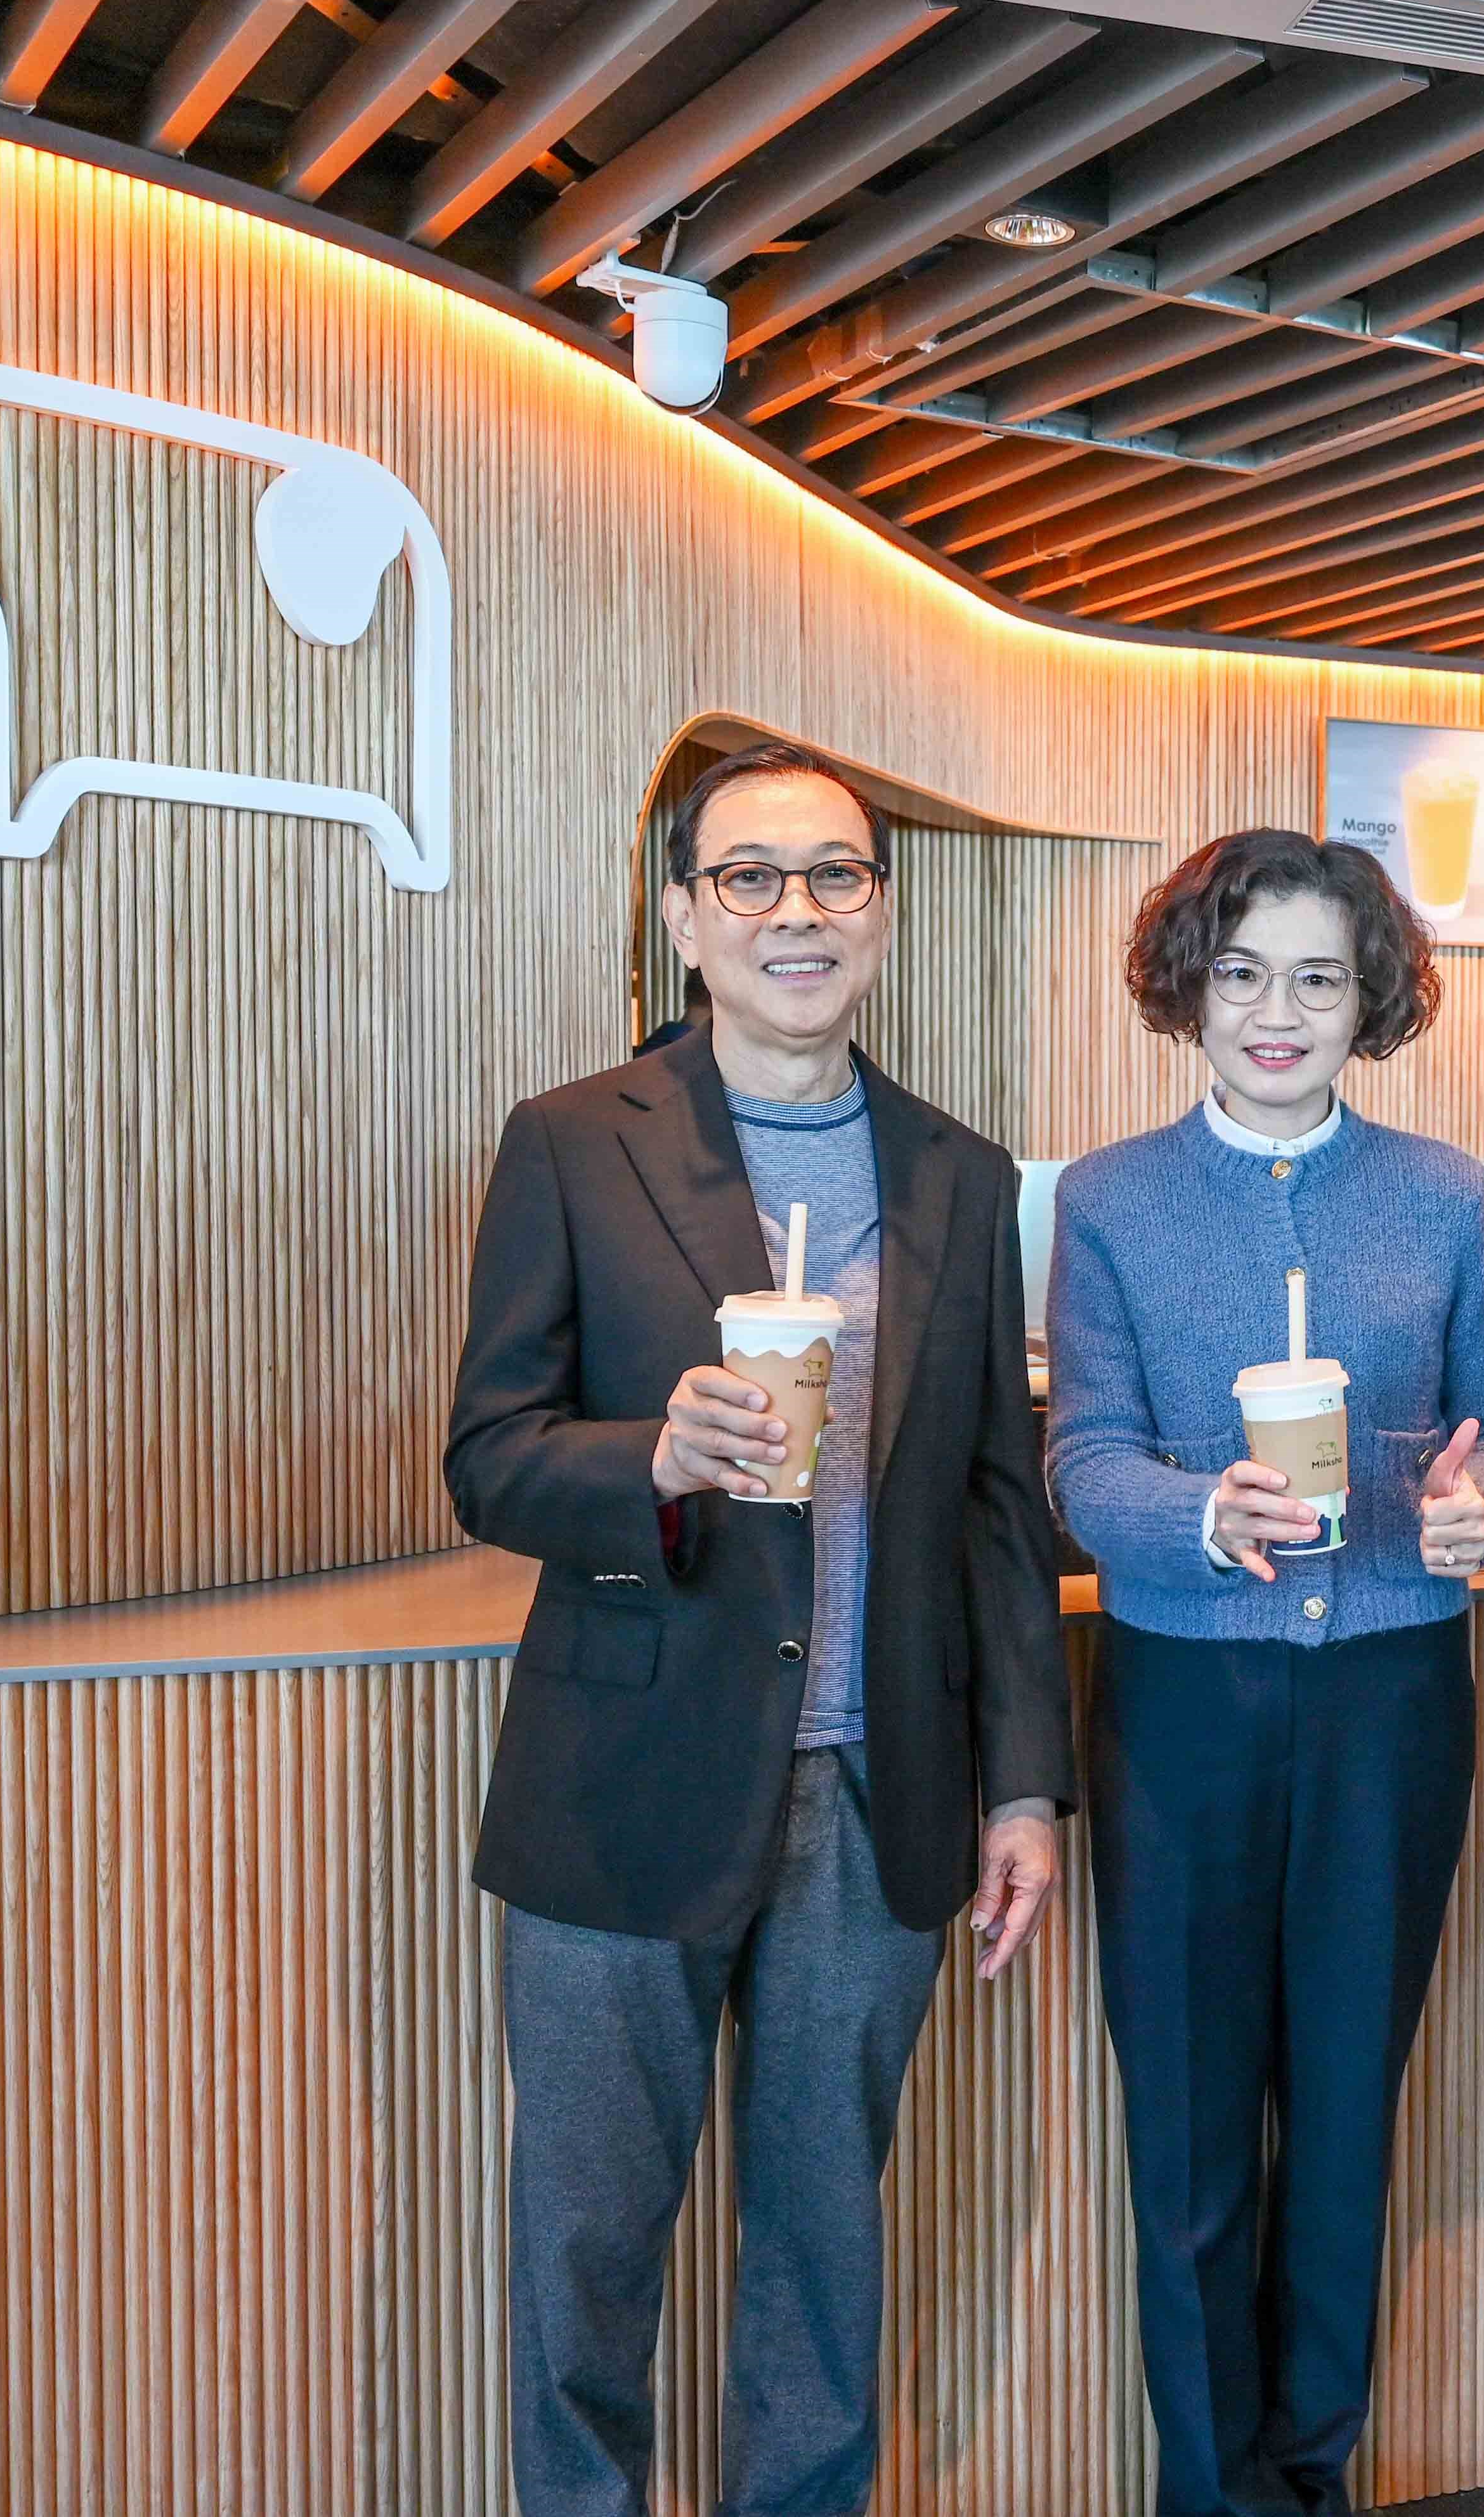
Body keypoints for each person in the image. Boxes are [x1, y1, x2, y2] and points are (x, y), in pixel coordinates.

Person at [446, 737, 1074, 2517]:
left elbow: (993, 1510)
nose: (796, 912)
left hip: (878, 1798)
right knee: (587, 2249)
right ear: (682, 916)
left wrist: (1022, 1788)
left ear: (881, 911)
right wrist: (652, 1452)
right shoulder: (574, 1143)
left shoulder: (960, 1171)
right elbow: (489, 1458)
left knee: (824, 2246)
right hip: (625, 1782)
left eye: (835, 876)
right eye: (751, 878)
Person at [1045, 827, 1484, 2517]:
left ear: (1371, 998)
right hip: (1185, 1709)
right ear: (1192, 984)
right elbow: (1083, 1457)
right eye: (1246, 972)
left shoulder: (1437, 1192)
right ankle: (1217, 2494)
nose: (1278, 1011)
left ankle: (1312, 2477)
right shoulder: (1109, 1199)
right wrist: (1200, 1511)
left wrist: (1480, 1502)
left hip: (1392, 1704)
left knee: (1344, 2121)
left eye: (1319, 977)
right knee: (1188, 2143)